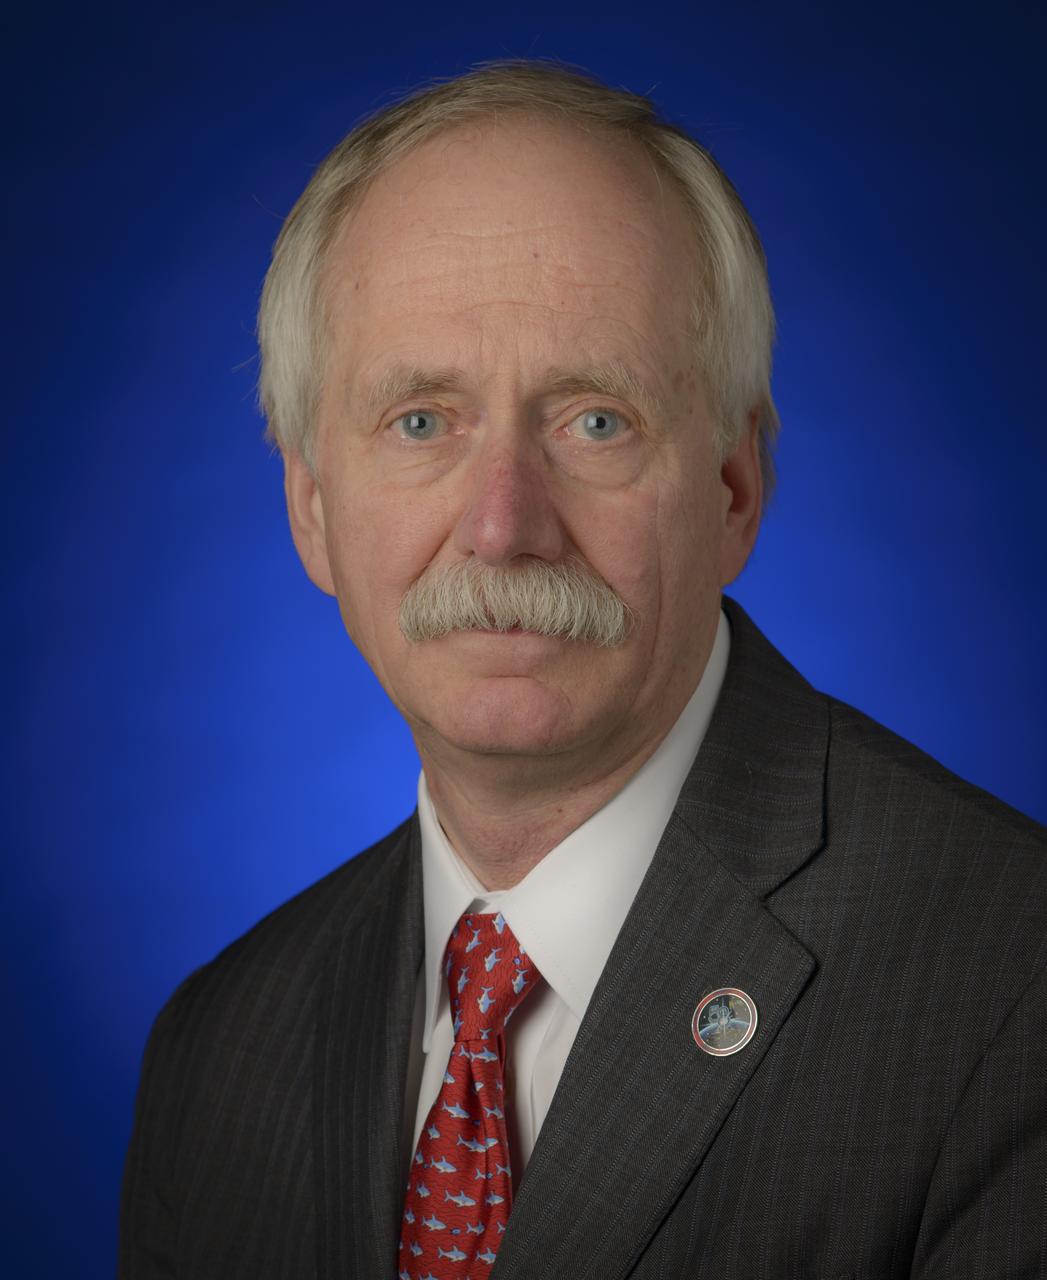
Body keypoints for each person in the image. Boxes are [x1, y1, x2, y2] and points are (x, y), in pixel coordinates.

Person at [119, 60, 1047, 1279]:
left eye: (594, 419)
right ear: (309, 505)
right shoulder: (218, 1047)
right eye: (421, 421)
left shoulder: (1010, 989)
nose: (503, 523)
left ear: (733, 487)